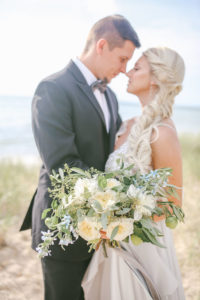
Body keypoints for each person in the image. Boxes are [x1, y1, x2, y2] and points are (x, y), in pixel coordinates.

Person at [19, 15, 140, 300]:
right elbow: (62, 164)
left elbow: (112, 153)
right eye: (122, 59)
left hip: (102, 227)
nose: (124, 70)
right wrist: (119, 196)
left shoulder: (109, 96)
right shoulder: (53, 88)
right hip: (62, 226)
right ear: (101, 45)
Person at [82, 47, 185, 299]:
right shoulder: (125, 125)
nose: (128, 71)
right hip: (110, 243)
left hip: (142, 249)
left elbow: (172, 205)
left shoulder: (163, 133)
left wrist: (119, 218)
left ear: (156, 78)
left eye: (136, 68)